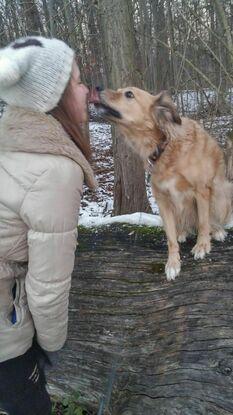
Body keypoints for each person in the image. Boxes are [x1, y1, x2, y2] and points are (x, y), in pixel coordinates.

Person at [0, 36, 97, 415]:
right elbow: (47, 286)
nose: (86, 90)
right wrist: (51, 345)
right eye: (76, 81)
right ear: (53, 98)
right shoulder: (54, 168)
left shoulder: (9, 143)